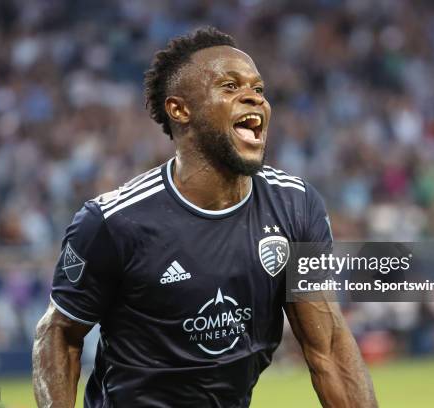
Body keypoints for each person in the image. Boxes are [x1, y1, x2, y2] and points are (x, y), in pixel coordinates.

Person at [33, 27, 377, 408]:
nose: (254, 97)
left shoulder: (297, 206)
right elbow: (59, 335)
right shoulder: (112, 222)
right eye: (229, 86)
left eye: (259, 89)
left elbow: (327, 347)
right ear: (180, 110)